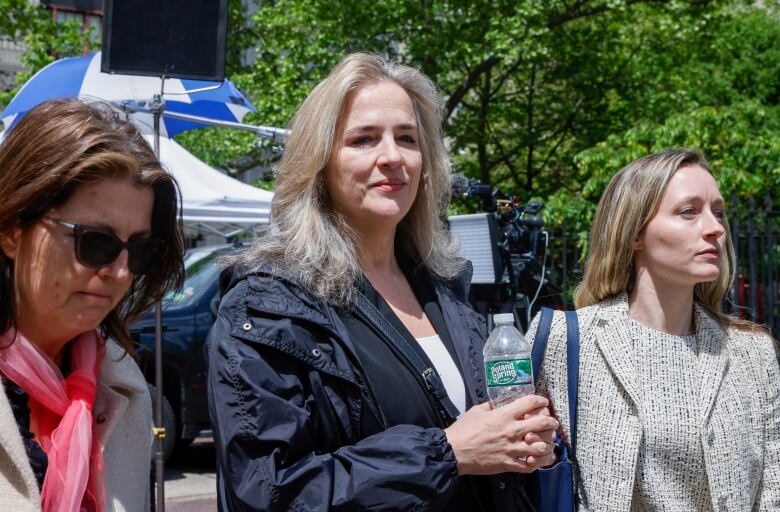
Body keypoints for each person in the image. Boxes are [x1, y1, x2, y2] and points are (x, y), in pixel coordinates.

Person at [207, 53, 559, 511]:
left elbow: (484, 449)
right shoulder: (265, 308)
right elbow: (268, 491)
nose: (391, 156)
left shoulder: (447, 290)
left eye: (407, 139)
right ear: (320, 162)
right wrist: (447, 454)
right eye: (364, 139)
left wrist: (526, 446)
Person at [528, 149, 780, 511]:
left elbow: (772, 494)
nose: (716, 228)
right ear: (634, 234)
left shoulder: (753, 354)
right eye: (689, 211)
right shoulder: (566, 341)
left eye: (718, 211)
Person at [0, 99, 184, 512]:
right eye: (95, 242)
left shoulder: (124, 386)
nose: (120, 272)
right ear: (12, 230)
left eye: (139, 251)